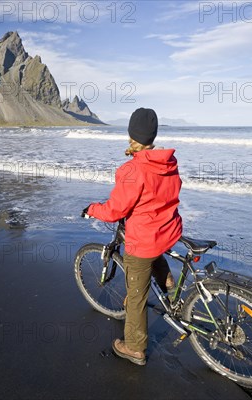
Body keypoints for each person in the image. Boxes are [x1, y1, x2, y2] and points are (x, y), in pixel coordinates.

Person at [84, 107, 183, 366]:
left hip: (144, 239)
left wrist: (92, 209)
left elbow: (116, 209)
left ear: (131, 134)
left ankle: (135, 348)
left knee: (136, 296)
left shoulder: (133, 169)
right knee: (155, 249)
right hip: (167, 230)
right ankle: (167, 281)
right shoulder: (167, 163)